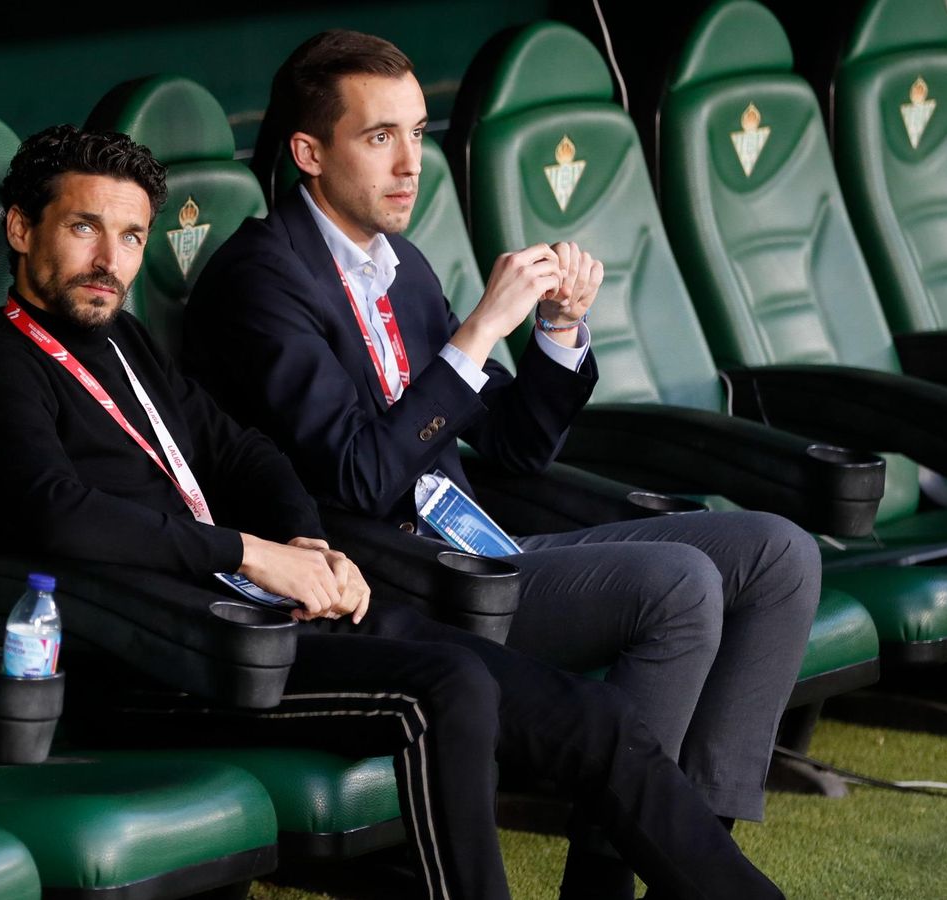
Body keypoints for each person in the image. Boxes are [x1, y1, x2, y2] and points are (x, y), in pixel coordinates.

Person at [0, 121, 784, 900]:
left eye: (130, 237)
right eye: (85, 228)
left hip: (265, 617)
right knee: (448, 686)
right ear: (21, 230)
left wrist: (303, 539)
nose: (110, 261)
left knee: (589, 715)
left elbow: (242, 452)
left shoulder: (123, 341)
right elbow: (60, 515)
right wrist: (252, 553)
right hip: (158, 653)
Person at [183, 29, 821, 899]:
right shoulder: (258, 281)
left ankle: (688, 848)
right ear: (309, 152)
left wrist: (557, 332)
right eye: (380, 138)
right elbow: (360, 477)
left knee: (778, 554)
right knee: (677, 585)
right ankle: (607, 884)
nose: (412, 163)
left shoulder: (399, 266)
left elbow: (513, 449)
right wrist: (480, 330)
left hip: (480, 543)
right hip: (393, 581)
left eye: (418, 132)